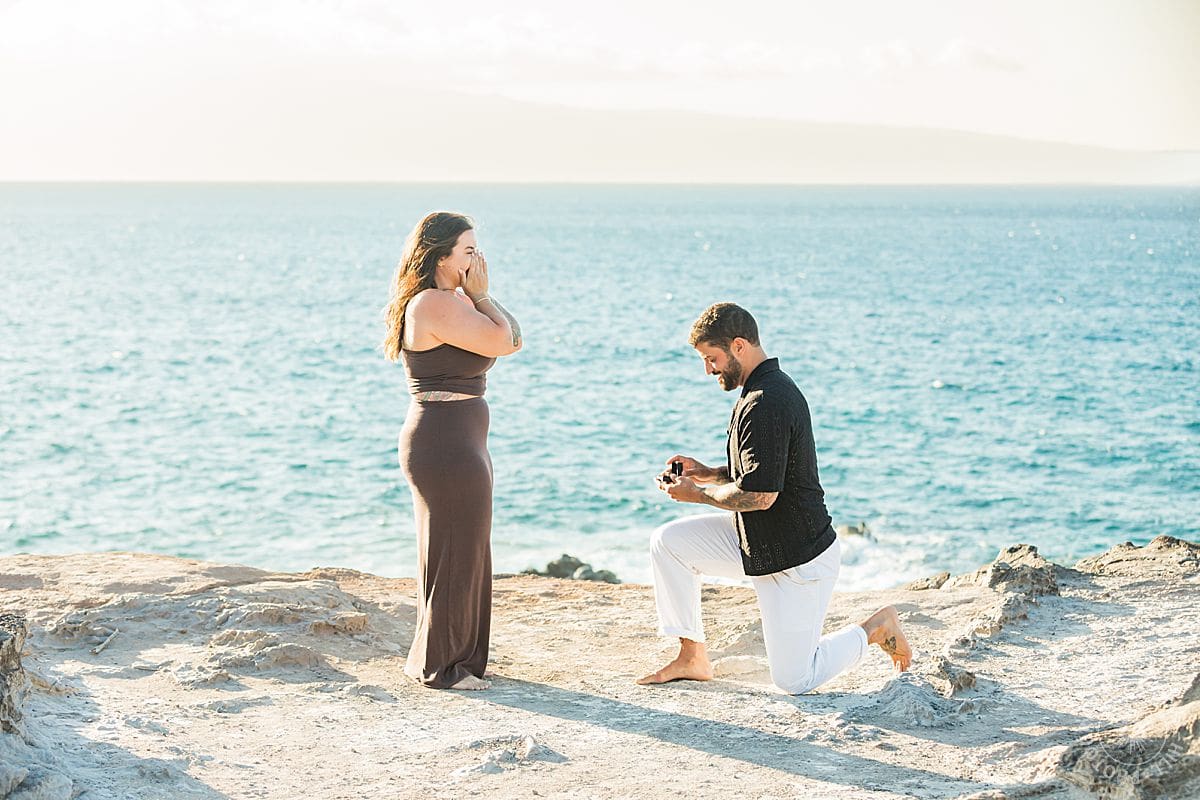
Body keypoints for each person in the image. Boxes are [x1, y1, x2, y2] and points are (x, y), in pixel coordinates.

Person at [639, 303, 911, 693]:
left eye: (711, 359)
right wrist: (709, 472)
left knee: (795, 679)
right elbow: (762, 470)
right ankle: (692, 656)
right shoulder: (760, 390)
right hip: (758, 542)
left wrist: (697, 494)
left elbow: (762, 495)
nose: (708, 370)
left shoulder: (767, 400)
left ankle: (874, 628)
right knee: (669, 543)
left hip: (797, 559)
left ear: (738, 346)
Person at [382, 212, 522, 690]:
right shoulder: (432, 304)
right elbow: (506, 340)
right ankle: (446, 666)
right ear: (442, 255)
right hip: (445, 440)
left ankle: (446, 656)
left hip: (459, 439)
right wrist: (481, 293)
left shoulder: (450, 300)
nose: (477, 259)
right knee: (456, 548)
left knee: (460, 546)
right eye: (468, 250)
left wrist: (476, 293)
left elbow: (513, 339)